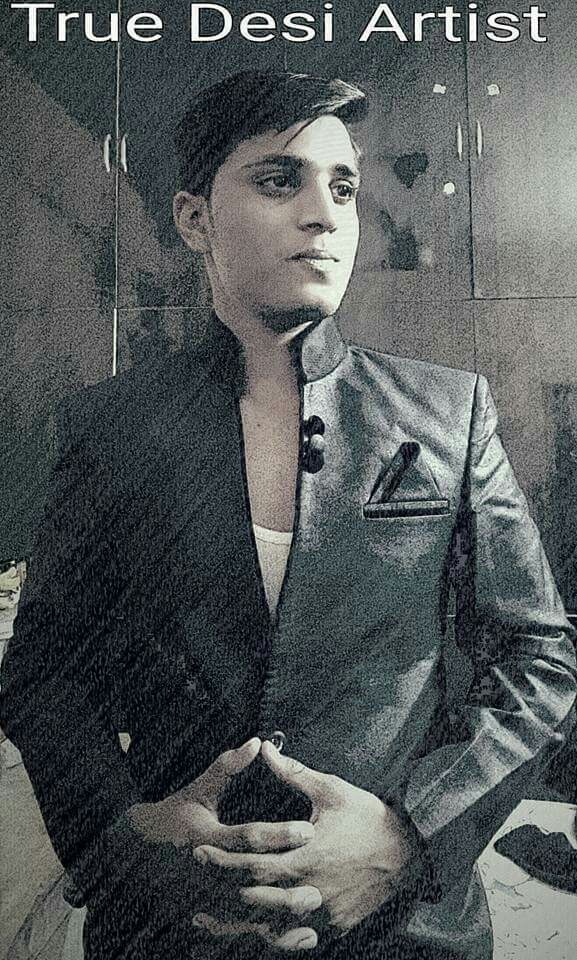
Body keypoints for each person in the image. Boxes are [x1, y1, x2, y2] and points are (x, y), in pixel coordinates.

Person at [1, 70, 576, 960]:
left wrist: (408, 836)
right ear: (195, 218)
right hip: (170, 923)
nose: (325, 215)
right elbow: (45, 671)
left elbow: (537, 657)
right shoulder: (106, 430)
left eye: (342, 186)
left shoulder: (446, 413)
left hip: (405, 931)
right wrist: (119, 837)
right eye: (279, 181)